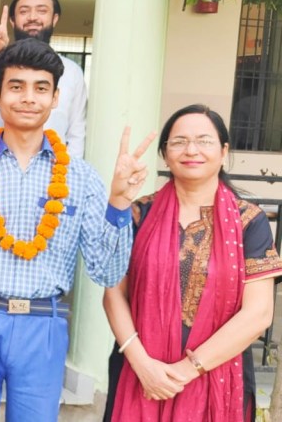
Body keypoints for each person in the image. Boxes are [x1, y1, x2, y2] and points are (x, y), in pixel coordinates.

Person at [0, 38, 149, 421]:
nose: (29, 98)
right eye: (16, 86)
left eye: (41, 88)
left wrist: (120, 205)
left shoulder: (81, 178)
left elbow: (106, 273)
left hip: (45, 325)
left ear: (55, 98)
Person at [104, 105, 282, 422]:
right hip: (140, 373)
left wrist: (187, 370)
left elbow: (258, 313)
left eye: (204, 140)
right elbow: (113, 292)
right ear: (165, 154)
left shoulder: (248, 222)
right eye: (179, 141)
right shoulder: (139, 214)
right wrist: (143, 365)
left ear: (224, 152)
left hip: (218, 374)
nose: (191, 150)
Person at [0, 0, 88, 158]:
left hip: (53, 169)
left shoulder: (72, 72)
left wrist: (70, 171)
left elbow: (76, 133)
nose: (32, 17)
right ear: (12, 21)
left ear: (54, 18)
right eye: (24, 11)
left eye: (42, 11)